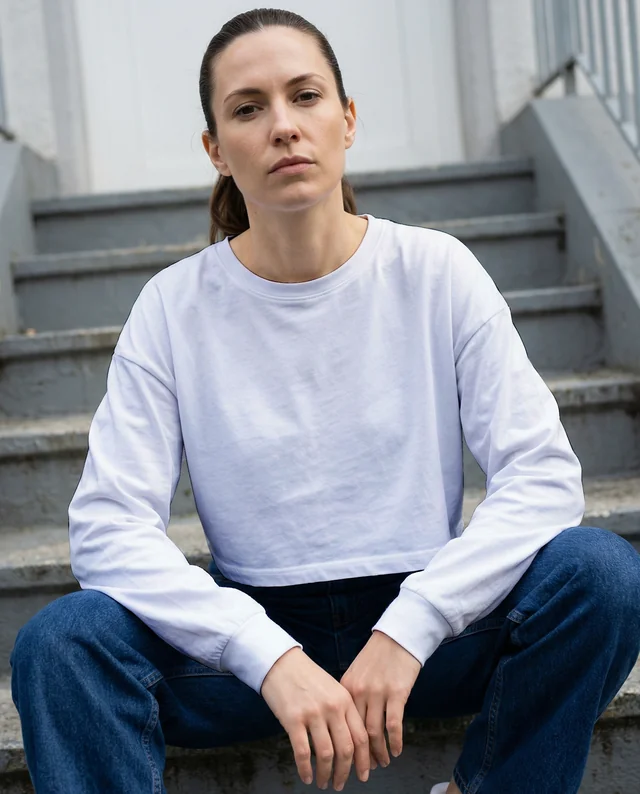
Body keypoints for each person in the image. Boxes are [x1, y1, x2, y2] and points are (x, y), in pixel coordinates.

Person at [10, 7, 640, 794]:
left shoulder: (435, 272)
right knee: (61, 643)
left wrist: (411, 628)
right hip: (252, 644)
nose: (283, 127)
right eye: (248, 108)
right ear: (216, 150)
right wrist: (267, 655)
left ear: (347, 119)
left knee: (601, 577)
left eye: (305, 96)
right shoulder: (173, 308)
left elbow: (543, 478)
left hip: (429, 632)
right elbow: (107, 529)